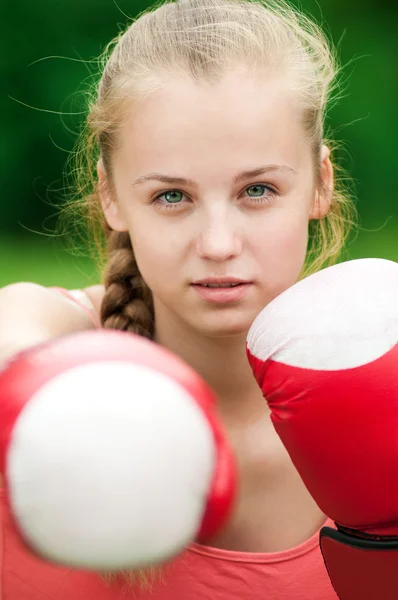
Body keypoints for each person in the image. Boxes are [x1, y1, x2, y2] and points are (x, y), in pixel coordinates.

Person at [0, 0, 358, 597]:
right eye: (172, 196)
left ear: (320, 182)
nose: (218, 243)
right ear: (110, 195)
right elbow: (15, 329)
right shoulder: (59, 338)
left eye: (259, 189)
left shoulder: (377, 372)